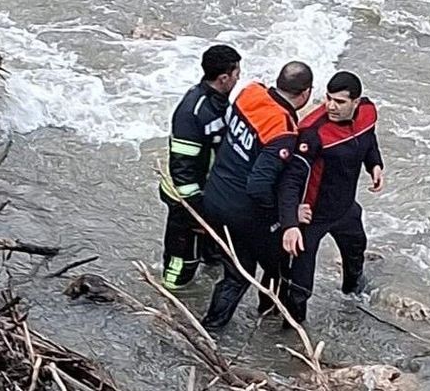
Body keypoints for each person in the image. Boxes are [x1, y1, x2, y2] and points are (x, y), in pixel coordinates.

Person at [199, 61, 313, 330]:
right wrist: (286, 216)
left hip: (215, 195)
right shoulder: (283, 130)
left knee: (236, 271)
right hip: (241, 211)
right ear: (306, 94)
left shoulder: (250, 92)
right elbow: (259, 186)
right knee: (276, 262)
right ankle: (269, 312)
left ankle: (211, 329)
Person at [276, 71, 384, 324]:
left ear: (356, 102)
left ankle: (353, 302)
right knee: (300, 286)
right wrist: (291, 221)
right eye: (328, 99)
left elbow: (369, 138)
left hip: (345, 208)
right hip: (313, 216)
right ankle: (290, 332)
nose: (331, 106)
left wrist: (375, 164)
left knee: (356, 252)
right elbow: (291, 179)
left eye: (340, 102)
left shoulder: (368, 112)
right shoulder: (312, 133)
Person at [159, 45, 241, 290]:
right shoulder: (192, 112)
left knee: (214, 255)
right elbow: (181, 168)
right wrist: (196, 208)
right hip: (187, 201)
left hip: (210, 195)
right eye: (237, 73)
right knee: (181, 264)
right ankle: (168, 305)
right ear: (224, 77)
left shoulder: (220, 102)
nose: (239, 78)